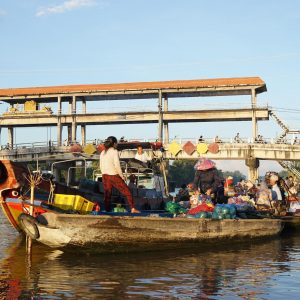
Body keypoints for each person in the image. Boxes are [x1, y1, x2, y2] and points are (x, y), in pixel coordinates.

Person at [100, 136, 140, 213]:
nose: (117, 145)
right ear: (114, 144)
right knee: (127, 191)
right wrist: (122, 176)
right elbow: (117, 166)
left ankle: (107, 210)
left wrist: (103, 174)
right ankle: (132, 208)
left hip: (104, 175)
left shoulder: (103, 152)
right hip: (113, 175)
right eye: (116, 143)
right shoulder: (114, 151)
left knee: (107, 194)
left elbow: (101, 166)